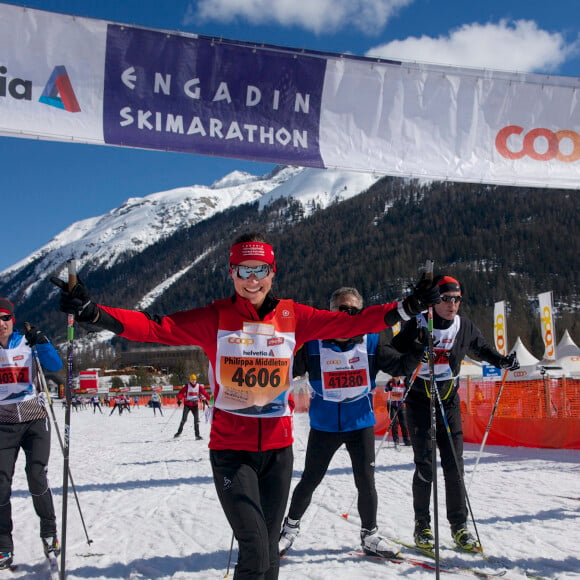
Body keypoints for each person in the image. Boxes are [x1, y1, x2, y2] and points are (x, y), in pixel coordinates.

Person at [52, 232, 440, 580]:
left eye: (260, 270)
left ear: (273, 272)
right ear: (231, 273)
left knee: (268, 556)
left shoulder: (293, 316)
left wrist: (406, 307)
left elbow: (351, 325)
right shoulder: (215, 318)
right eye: (243, 270)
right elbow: (155, 327)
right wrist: (94, 313)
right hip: (231, 453)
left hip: (277, 452)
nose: (251, 279)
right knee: (255, 551)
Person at [279, 287, 426, 559]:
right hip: (325, 426)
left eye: (354, 311)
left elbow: (401, 367)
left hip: (360, 424)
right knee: (310, 479)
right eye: (342, 310)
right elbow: (286, 371)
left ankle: (369, 535)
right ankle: (288, 531)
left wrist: (419, 346)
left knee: (366, 482)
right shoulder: (314, 343)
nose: (348, 316)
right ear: (331, 314)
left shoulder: (371, 342)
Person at [390, 275, 520, 553]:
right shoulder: (417, 322)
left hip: (448, 400)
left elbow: (481, 348)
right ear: (436, 300)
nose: (452, 304)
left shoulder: (464, 326)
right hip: (420, 400)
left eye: (457, 299)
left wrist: (502, 360)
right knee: (425, 465)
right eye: (446, 298)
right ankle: (422, 525)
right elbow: (392, 353)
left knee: (454, 466)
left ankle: (459, 526)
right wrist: (415, 348)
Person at [0, 298, 63, 570]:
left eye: (4, 318)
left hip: (35, 418)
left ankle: (49, 533)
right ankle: (3, 546)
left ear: (12, 320)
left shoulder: (27, 342)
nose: (0, 324)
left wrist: (43, 340)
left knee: (36, 475)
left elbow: (55, 364)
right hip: (4, 422)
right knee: (1, 483)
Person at [174, 374, 209, 440]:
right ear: (190, 380)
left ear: (196, 380)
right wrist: (179, 399)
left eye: (194, 380)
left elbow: (204, 393)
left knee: (196, 420)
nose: (193, 381)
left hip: (195, 405)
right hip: (187, 405)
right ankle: (178, 432)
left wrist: (208, 398)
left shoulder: (199, 386)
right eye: (192, 380)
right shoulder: (187, 386)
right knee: (184, 419)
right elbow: (181, 393)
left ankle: (197, 435)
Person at [385, 376, 410, 446]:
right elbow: (385, 390)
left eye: (398, 376)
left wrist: (407, 390)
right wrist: (388, 388)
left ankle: (406, 440)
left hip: (400, 404)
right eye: (395, 376)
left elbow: (407, 392)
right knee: (394, 422)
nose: (397, 377)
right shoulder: (390, 383)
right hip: (392, 405)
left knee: (404, 423)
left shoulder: (403, 383)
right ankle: (396, 440)